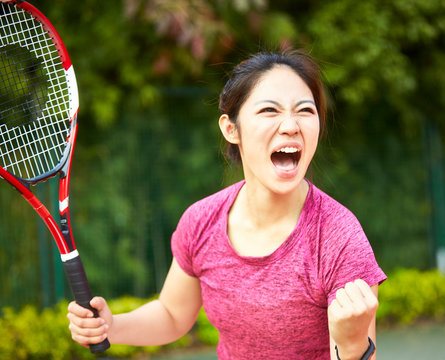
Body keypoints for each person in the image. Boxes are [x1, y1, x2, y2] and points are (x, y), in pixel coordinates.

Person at [67, 49, 387, 360]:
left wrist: (352, 345)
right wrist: (111, 325)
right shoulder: (201, 220)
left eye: (305, 110)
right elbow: (171, 314)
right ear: (231, 129)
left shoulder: (341, 239)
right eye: (269, 111)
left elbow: (353, 351)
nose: (291, 125)